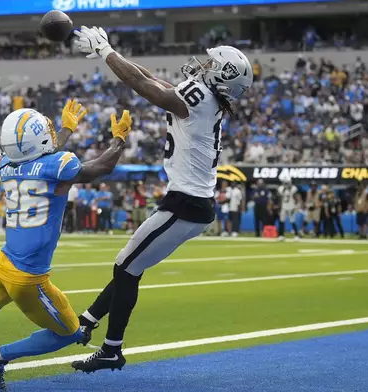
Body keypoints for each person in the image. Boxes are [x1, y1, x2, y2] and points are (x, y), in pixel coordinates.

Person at [72, 26, 253, 372]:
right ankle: (88, 320)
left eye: (210, 64)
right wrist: (106, 52)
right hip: (195, 205)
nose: (202, 66)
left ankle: (111, 349)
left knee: (125, 266)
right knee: (131, 266)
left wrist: (107, 53)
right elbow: (150, 77)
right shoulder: (210, 99)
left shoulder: (199, 99)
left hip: (185, 203)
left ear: (221, 74)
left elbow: (147, 88)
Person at [0, 100, 132, 391]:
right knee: (71, 333)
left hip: (5, 259)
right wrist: (119, 139)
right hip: (28, 276)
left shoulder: (8, 165)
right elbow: (102, 166)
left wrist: (67, 129)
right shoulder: (57, 165)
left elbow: (37, 150)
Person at [277, 172, 300, 241]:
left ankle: (296, 235)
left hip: (291, 206)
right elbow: (280, 198)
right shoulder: (281, 188)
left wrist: (296, 206)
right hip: (284, 207)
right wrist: (279, 207)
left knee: (293, 221)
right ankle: (281, 235)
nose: (286, 184)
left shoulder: (293, 188)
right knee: (281, 221)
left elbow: (296, 197)